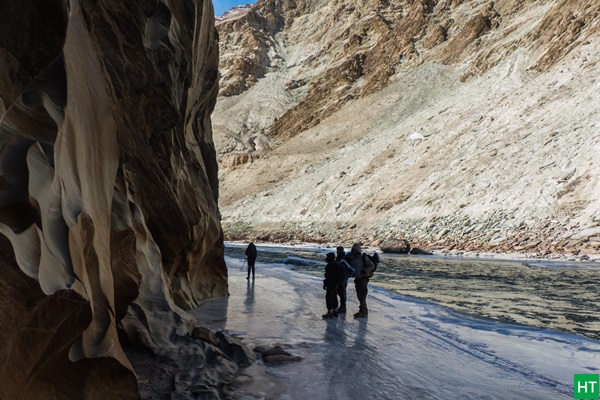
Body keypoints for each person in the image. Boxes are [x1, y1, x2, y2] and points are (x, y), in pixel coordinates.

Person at [346, 243, 375, 318]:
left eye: (354, 250)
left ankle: (364, 311)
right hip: (358, 278)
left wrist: (364, 271)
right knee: (359, 295)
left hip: (363, 278)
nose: (352, 251)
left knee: (362, 294)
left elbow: (372, 265)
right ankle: (362, 310)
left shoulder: (363, 258)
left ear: (357, 250)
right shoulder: (352, 257)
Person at [322, 252, 340, 319]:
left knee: (329, 297)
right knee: (334, 296)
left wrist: (325, 284)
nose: (326, 258)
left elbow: (329, 276)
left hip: (331, 283)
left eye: (327, 257)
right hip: (336, 283)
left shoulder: (330, 265)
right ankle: (335, 311)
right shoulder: (336, 264)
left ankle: (330, 312)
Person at [335, 246, 351, 313]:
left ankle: (343, 307)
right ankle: (342, 306)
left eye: (338, 250)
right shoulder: (340, 256)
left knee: (341, 292)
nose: (337, 251)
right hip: (342, 278)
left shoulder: (343, 258)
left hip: (342, 278)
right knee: (341, 292)